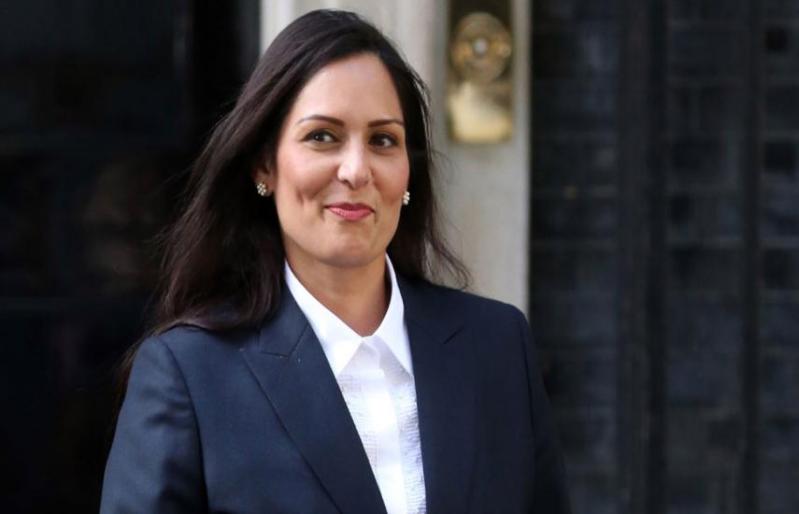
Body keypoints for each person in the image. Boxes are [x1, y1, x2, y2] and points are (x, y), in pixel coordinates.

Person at [100, 9, 571, 514]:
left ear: (408, 174)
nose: (356, 170)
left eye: (383, 140)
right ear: (264, 165)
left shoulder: (497, 347)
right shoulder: (190, 373)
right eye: (322, 136)